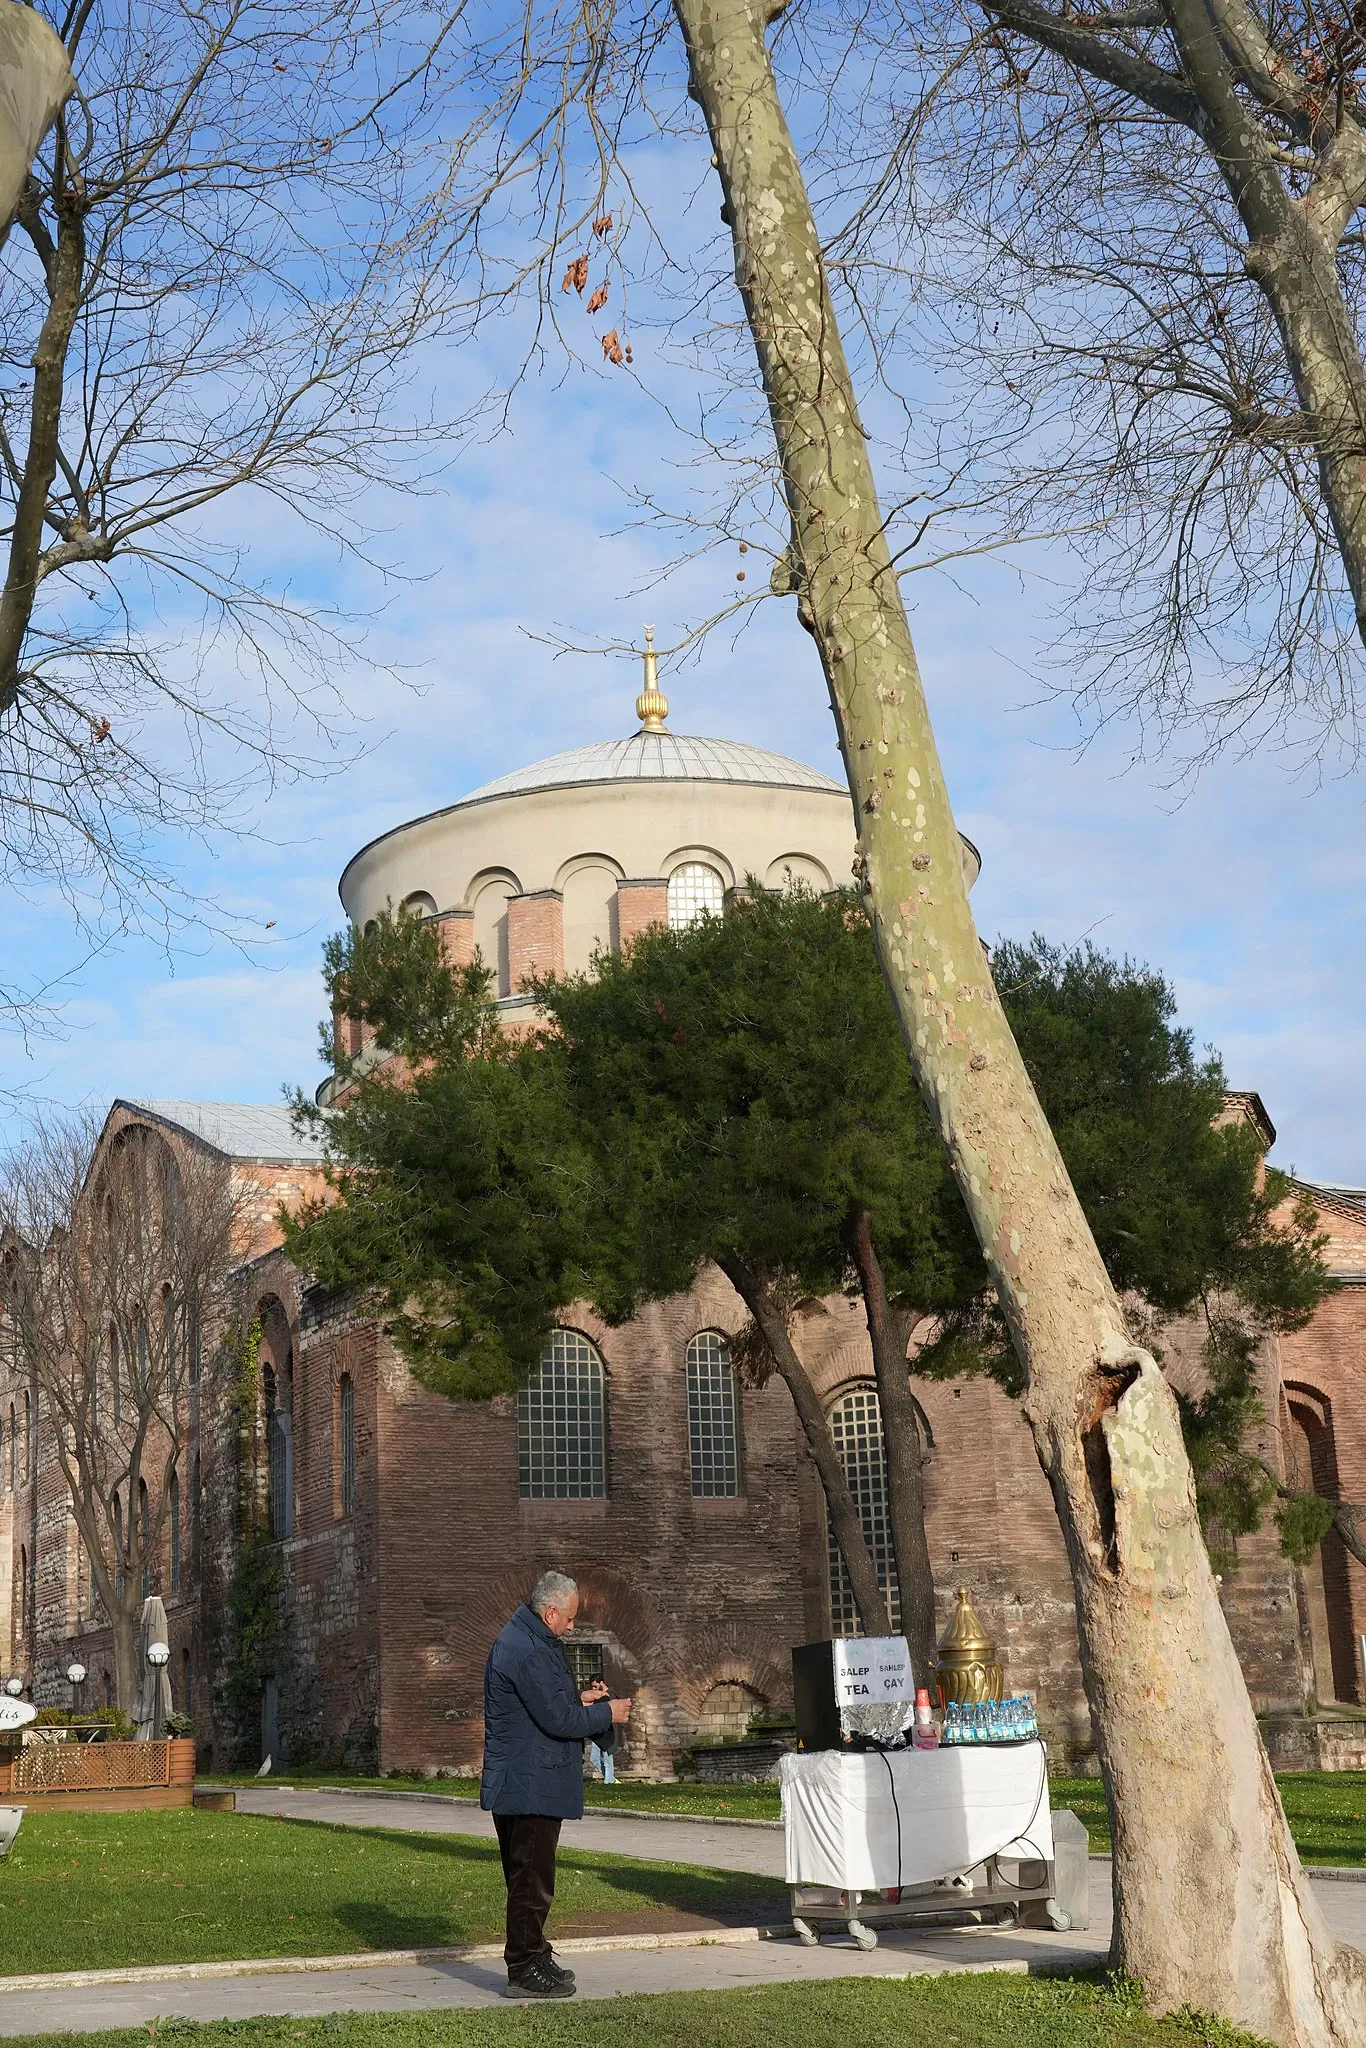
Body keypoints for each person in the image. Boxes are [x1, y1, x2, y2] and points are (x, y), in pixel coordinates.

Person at [481, 1569, 632, 1999]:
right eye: (568, 1618)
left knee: (529, 1878)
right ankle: (524, 1968)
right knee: (531, 1881)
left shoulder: (528, 1640)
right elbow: (558, 1720)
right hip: (529, 1784)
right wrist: (608, 1713)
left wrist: (582, 1698)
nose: (572, 1625)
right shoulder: (527, 1648)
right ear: (550, 1613)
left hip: (527, 1780)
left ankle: (535, 1954)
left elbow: (546, 1705)